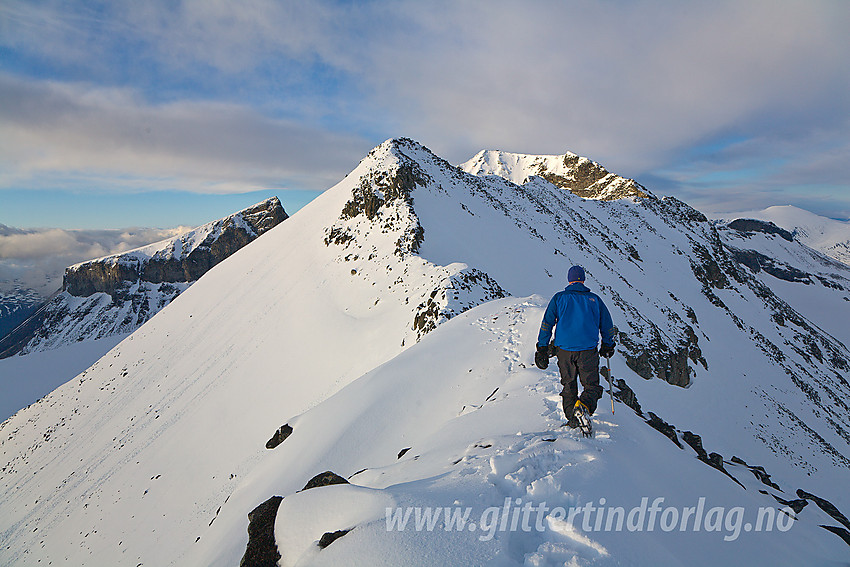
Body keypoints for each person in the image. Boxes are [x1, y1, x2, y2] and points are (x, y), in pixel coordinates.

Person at [535, 265, 616, 427]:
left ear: (569, 280)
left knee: (569, 385)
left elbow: (547, 323)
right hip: (587, 350)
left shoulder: (559, 298)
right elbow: (607, 325)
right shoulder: (595, 300)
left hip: (564, 350)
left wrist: (542, 347)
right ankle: (583, 409)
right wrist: (608, 344)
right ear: (583, 279)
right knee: (591, 386)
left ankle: (573, 419)